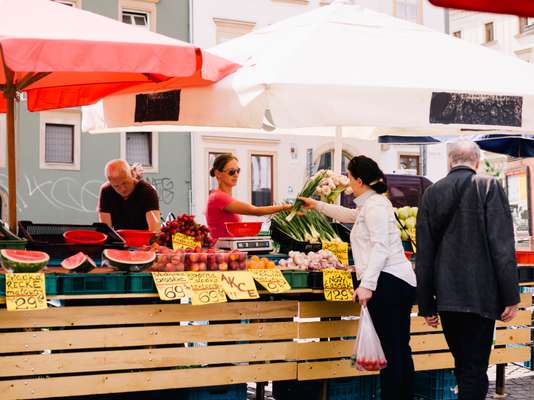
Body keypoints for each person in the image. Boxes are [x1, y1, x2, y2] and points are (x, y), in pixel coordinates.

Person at [299, 155, 416, 400]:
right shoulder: (370, 204)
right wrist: (317, 205)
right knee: (398, 349)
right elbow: (349, 216)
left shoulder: (374, 207)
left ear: (360, 180)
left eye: (350, 178)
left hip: (390, 283)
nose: (348, 183)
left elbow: (380, 248)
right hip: (393, 281)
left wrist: (367, 285)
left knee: (392, 350)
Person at [416, 141, 520, 400]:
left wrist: (426, 304)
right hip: (481, 296)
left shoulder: (431, 193)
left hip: (447, 297)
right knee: (474, 367)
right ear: (477, 162)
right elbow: (502, 247)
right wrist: (511, 297)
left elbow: (425, 255)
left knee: (463, 364)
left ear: (450, 162)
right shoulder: (489, 186)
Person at [206, 154, 291, 240]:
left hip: (228, 248)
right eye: (231, 171)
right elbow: (256, 211)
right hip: (222, 250)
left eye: (238, 171)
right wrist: (284, 207)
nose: (236, 175)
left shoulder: (221, 197)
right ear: (218, 174)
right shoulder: (219, 197)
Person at [98, 159, 161, 232]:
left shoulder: (148, 192)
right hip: (119, 241)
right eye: (116, 186)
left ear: (132, 174)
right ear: (110, 183)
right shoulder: (106, 191)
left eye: (125, 183)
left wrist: (150, 242)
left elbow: (154, 230)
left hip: (143, 240)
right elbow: (105, 230)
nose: (122, 189)